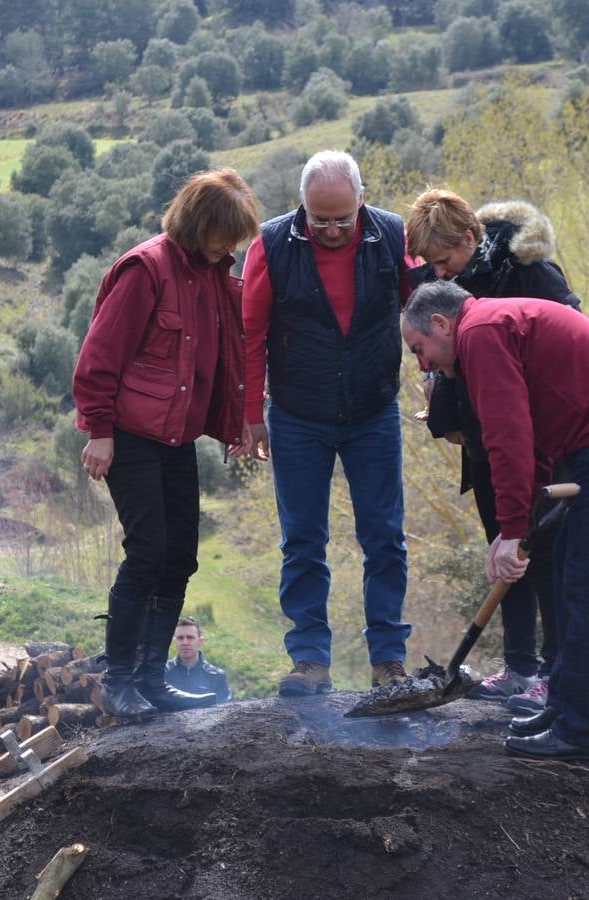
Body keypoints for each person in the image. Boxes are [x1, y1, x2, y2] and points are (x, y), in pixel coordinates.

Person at [400, 282, 589, 764]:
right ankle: (565, 709)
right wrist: (522, 525)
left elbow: (509, 434)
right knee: (569, 574)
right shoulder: (491, 325)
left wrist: (510, 531)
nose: (423, 364)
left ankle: (582, 734)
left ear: (441, 324)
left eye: (419, 349)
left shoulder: (482, 332)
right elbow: (536, 437)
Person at [73, 168, 261, 720]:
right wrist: (99, 431)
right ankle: (120, 679)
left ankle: (153, 680)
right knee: (148, 550)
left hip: (176, 437)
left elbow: (224, 358)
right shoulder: (144, 270)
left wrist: (237, 422)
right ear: (200, 224)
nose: (230, 247)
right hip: (129, 435)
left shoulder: (211, 275)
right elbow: (98, 357)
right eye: (224, 235)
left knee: (180, 555)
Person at [241, 149, 412, 696]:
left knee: (384, 537)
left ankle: (388, 660)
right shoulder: (270, 244)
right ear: (302, 207)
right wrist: (252, 417)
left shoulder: (391, 236)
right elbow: (251, 336)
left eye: (343, 218)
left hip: (373, 411)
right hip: (296, 415)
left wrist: (438, 380)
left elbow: (423, 313)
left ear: (361, 199)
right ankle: (310, 660)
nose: (333, 230)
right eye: (320, 220)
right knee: (303, 540)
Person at [405, 189, 582, 708]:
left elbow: (561, 353)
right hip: (484, 441)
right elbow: (438, 365)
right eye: (429, 264)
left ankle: (556, 671)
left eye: (443, 260)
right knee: (506, 553)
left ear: (469, 238)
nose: (438, 273)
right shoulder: (443, 285)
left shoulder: (531, 273)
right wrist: (446, 416)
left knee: (545, 555)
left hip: (541, 441)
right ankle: (519, 667)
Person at [164, 616, 232, 703]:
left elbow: (226, 710)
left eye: (190, 637)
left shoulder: (216, 676)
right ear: (174, 641)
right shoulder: (162, 673)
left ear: (200, 641)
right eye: (180, 638)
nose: (185, 643)